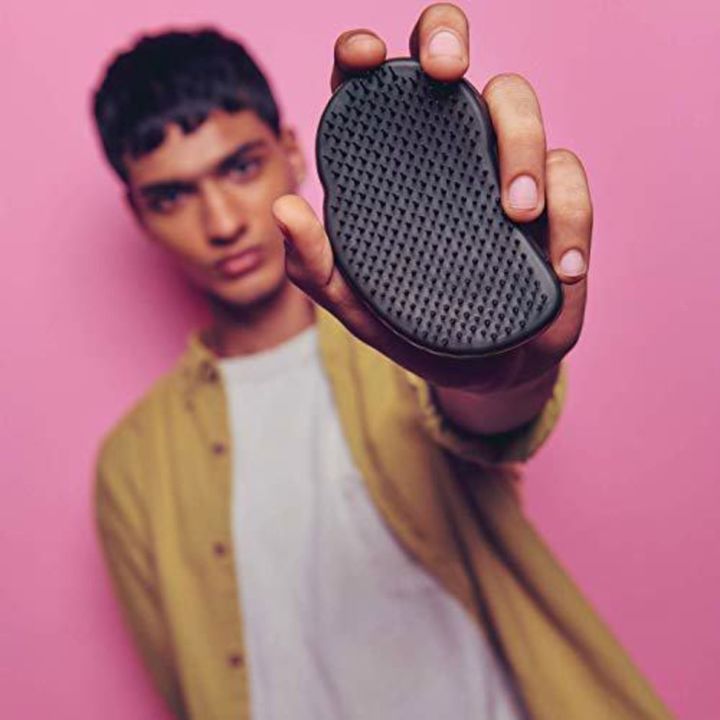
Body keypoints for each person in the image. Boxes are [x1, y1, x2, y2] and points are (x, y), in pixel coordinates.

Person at [92, 4, 672, 719]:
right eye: (171, 196)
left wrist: (503, 369)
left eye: (240, 167)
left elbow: (491, 415)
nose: (222, 222)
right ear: (138, 214)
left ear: (293, 150)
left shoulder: (419, 340)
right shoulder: (132, 467)